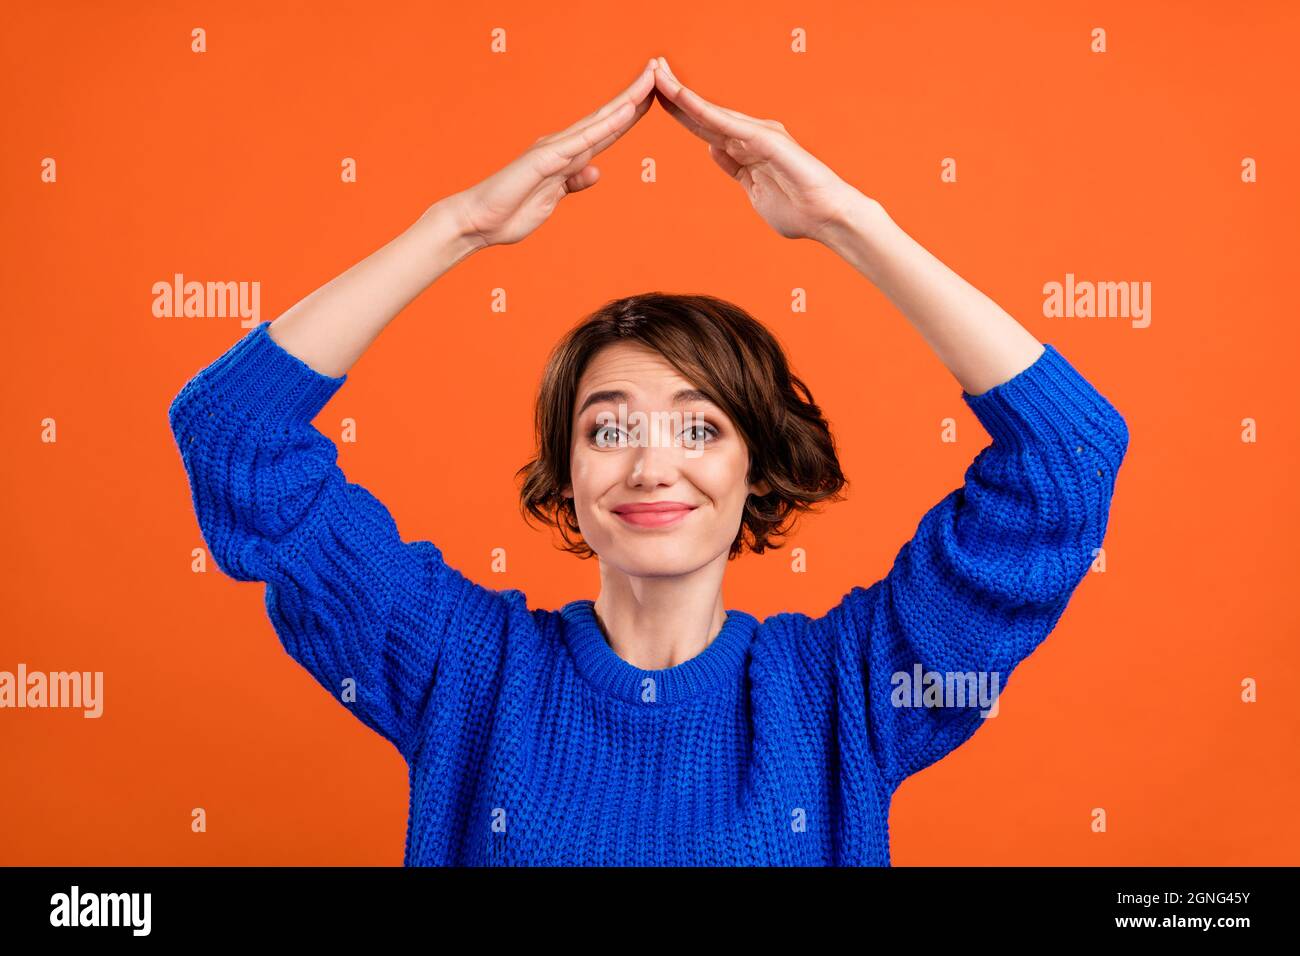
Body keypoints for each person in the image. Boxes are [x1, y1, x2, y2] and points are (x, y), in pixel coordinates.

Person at [168, 57, 1129, 865]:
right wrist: (456, 226)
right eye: (608, 428)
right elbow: (233, 432)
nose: (650, 466)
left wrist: (849, 222)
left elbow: (1071, 452)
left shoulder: (845, 689)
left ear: (758, 466)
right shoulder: (465, 669)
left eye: (701, 428)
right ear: (568, 471)